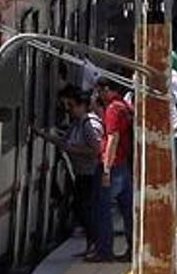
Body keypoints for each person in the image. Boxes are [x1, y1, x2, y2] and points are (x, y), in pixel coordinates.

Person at [54, 86, 108, 258]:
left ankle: (97, 246)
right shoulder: (76, 124)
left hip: (91, 174)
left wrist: (72, 149)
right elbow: (63, 141)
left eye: (71, 106)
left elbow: (97, 149)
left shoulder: (89, 125)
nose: (68, 110)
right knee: (80, 209)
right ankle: (91, 245)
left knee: (87, 210)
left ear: (82, 106)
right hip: (81, 174)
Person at [95, 77, 135, 259]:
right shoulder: (125, 106)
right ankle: (132, 249)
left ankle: (104, 251)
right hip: (124, 165)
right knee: (127, 211)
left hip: (114, 165)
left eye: (99, 91)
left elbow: (113, 138)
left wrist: (106, 169)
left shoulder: (112, 109)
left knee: (103, 210)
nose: (98, 95)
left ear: (106, 89)